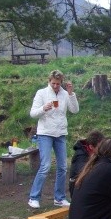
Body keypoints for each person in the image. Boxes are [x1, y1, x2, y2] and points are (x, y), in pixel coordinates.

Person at [28, 70, 79, 209]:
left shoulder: (64, 94)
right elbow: (33, 113)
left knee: (62, 167)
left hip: (60, 133)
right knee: (45, 166)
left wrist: (70, 94)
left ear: (61, 82)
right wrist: (44, 108)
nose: (56, 86)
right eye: (53, 83)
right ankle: (34, 197)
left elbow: (75, 110)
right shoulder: (42, 93)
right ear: (49, 82)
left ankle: (59, 198)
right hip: (45, 133)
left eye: (58, 83)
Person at [68, 130, 105, 198]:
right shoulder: (80, 156)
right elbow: (85, 173)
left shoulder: (96, 153)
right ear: (91, 147)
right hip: (78, 190)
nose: (102, 149)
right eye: (100, 147)